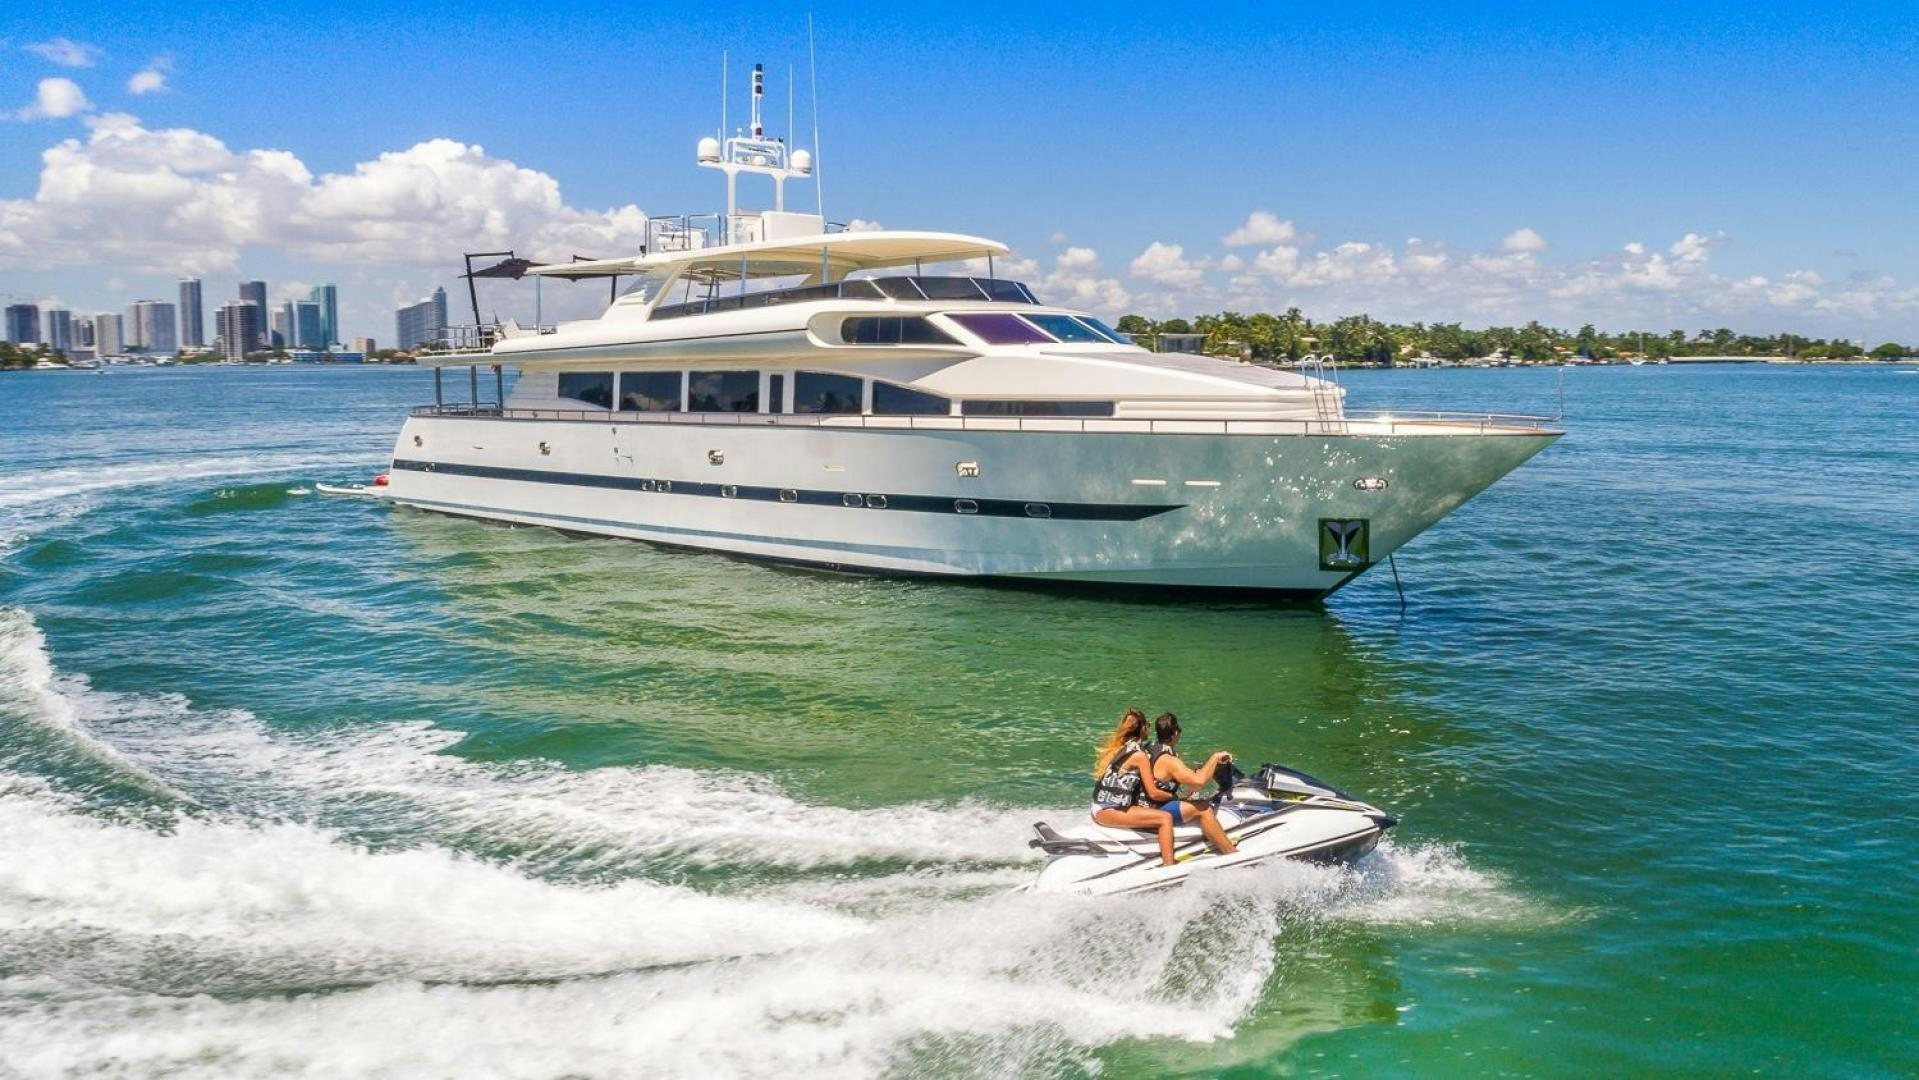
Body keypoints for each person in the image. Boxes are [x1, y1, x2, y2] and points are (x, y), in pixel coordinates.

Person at [1142, 712, 1238, 856]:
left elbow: (1180, 777)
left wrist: (1204, 769)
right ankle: (1231, 853)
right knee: (1203, 808)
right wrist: (1215, 757)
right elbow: (1197, 782)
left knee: (1197, 799)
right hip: (1155, 808)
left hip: (1146, 802)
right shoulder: (1169, 760)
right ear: (1175, 734)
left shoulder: (1150, 747)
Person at [1090, 707, 1175, 866]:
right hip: (1108, 810)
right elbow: (1154, 793)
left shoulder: (1120, 747)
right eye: (1148, 724)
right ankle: (1169, 867)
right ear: (1143, 728)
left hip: (1101, 806)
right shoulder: (1139, 756)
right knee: (1165, 818)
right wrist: (1173, 796)